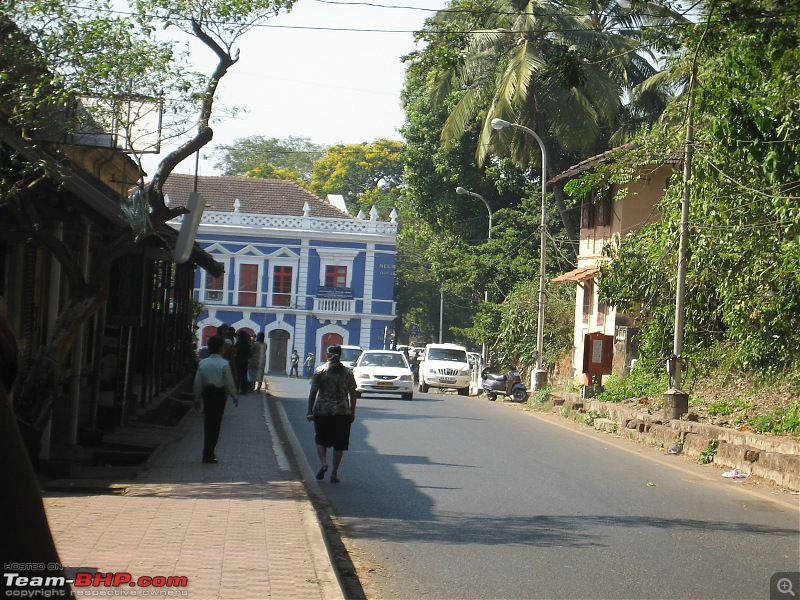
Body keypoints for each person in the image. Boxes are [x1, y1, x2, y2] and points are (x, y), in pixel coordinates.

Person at [306, 344, 357, 483]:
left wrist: (309, 410)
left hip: (322, 411)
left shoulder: (320, 371)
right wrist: (352, 411)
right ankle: (334, 473)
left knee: (321, 439)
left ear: (327, 355)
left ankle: (323, 463)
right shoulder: (347, 372)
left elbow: (313, 392)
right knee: (339, 444)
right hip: (342, 412)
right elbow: (353, 394)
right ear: (340, 355)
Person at [193, 335, 240, 464]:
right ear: (221, 348)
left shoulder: (203, 363)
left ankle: (206, 452)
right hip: (219, 395)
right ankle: (209, 453)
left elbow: (198, 382)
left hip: (207, 394)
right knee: (216, 423)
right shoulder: (224, 364)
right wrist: (234, 396)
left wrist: (196, 398)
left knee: (208, 423)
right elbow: (228, 382)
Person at [233, 329, 251, 394]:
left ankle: (236, 389)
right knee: (244, 375)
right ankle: (244, 390)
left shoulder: (238, 342)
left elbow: (234, 348)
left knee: (237, 374)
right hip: (245, 360)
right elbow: (249, 353)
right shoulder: (247, 343)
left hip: (238, 360)